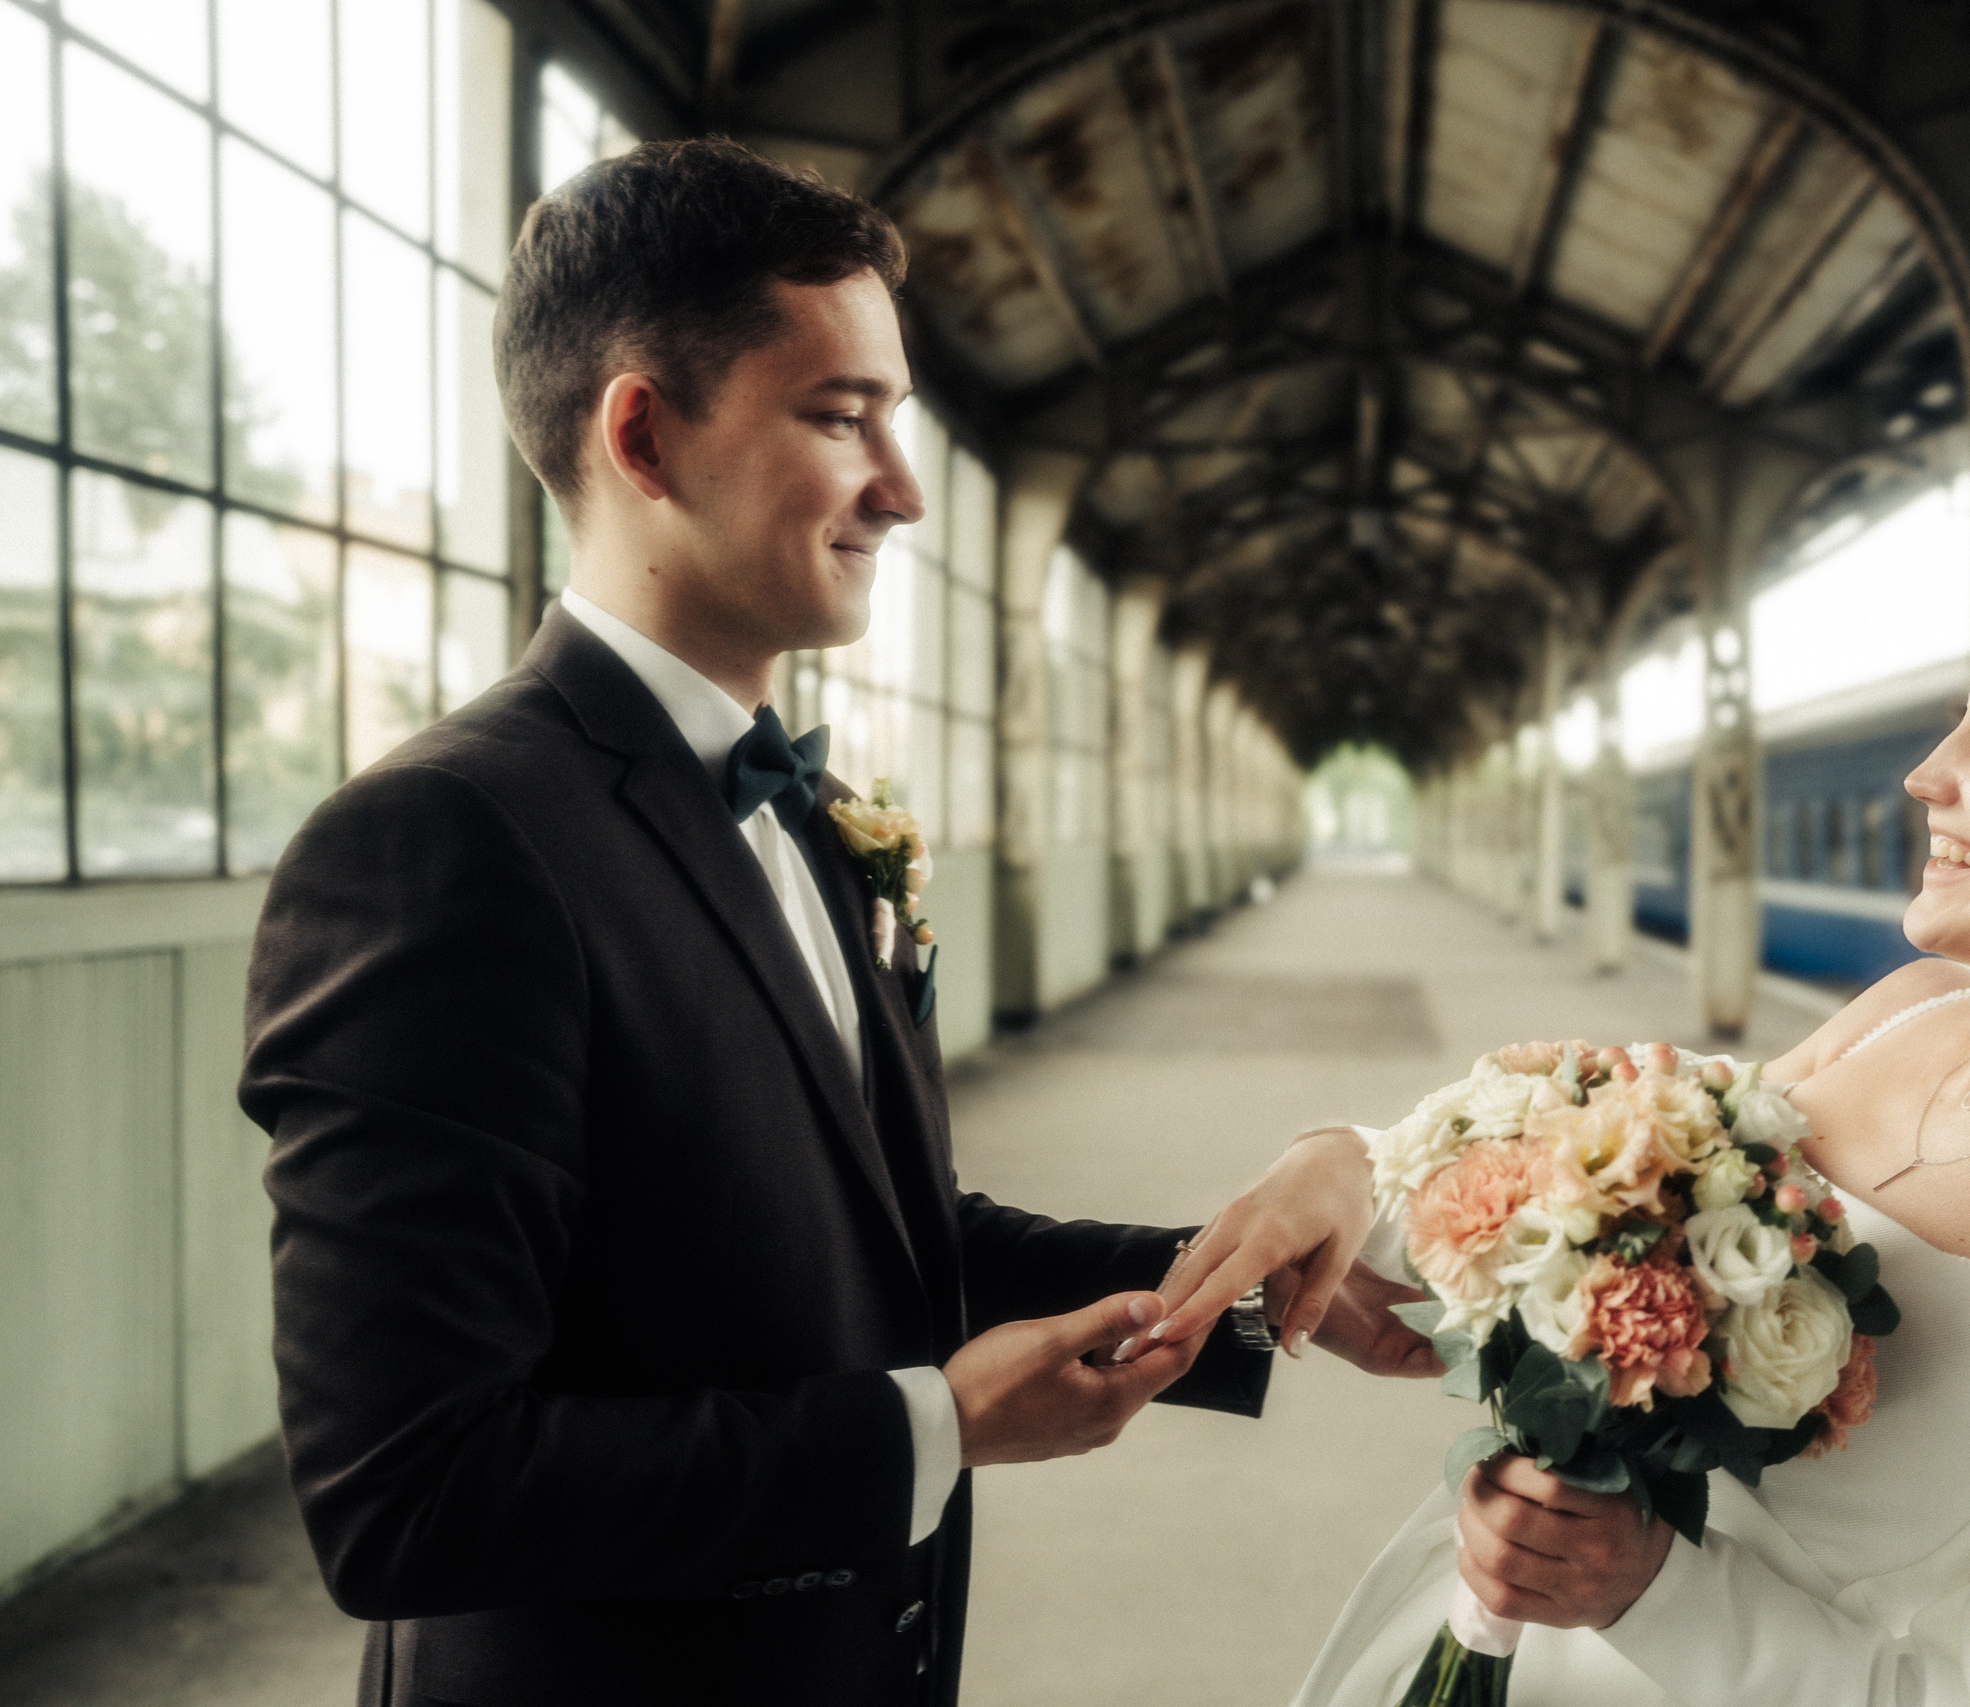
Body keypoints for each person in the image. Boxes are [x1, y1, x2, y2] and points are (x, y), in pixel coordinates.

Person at [238, 138, 1430, 1707]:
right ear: (645, 435)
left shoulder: (801, 809)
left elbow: (876, 1233)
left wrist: (1239, 1291)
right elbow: (410, 1492)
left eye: (900, 418)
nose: (905, 488)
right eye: (839, 415)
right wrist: (936, 1425)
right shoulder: (439, 845)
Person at [1156, 502, 1970, 1703]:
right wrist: (1355, 1171)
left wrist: (1650, 1592)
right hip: (1488, 1632)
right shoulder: (1910, 1011)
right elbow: (1605, 1188)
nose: (1925, 774)